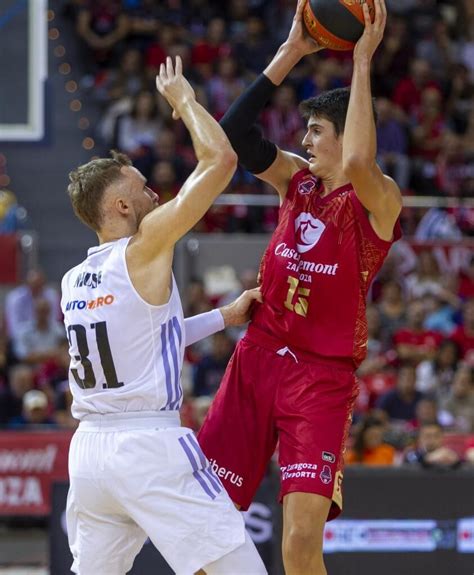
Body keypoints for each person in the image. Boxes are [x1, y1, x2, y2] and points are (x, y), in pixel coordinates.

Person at [197, 1, 402, 574]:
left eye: (316, 131)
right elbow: (234, 134)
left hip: (320, 376)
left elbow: (361, 159)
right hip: (257, 357)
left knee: (298, 544)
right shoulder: (295, 179)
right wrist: (291, 50)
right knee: (205, 520)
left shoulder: (377, 199)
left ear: (343, 134)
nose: (305, 140)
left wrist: (362, 61)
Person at [61, 56, 266, 575]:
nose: (154, 191)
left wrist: (224, 316)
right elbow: (219, 161)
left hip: (89, 455)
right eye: (142, 187)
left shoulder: (73, 281)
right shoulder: (145, 247)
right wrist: (184, 101)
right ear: (123, 208)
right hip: (147, 445)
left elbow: (148, 337)